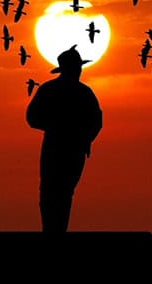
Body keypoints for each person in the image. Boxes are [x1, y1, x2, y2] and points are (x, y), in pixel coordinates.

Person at [26, 45, 103, 233]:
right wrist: (65, 129)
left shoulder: (54, 90)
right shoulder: (82, 92)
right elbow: (32, 118)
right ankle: (53, 232)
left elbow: (96, 121)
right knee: (56, 191)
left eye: (79, 67)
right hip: (61, 147)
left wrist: (84, 138)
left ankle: (55, 231)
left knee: (58, 191)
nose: (79, 70)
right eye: (77, 67)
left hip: (69, 147)